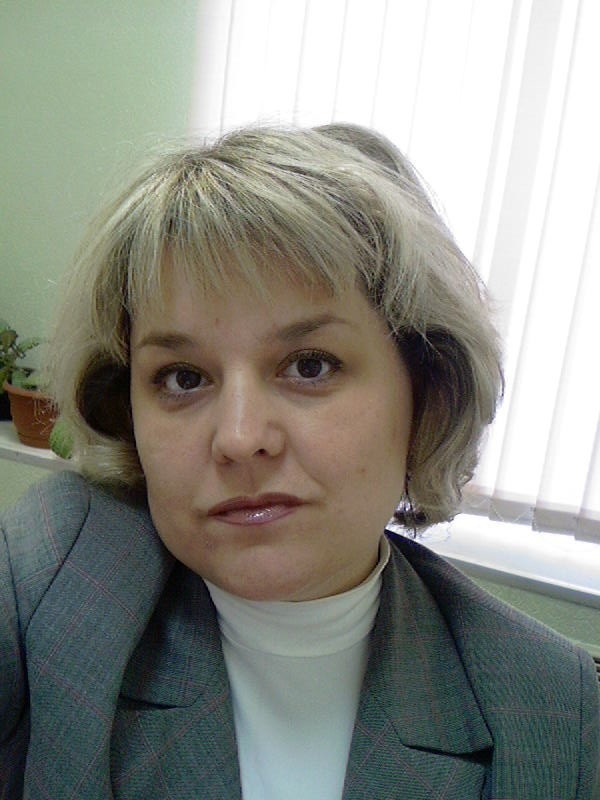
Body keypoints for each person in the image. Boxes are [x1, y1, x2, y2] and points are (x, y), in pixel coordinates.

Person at [1, 124, 598, 800]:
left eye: (309, 365)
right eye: (183, 377)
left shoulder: (550, 709)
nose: (239, 438)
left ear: (426, 389)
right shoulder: (53, 574)